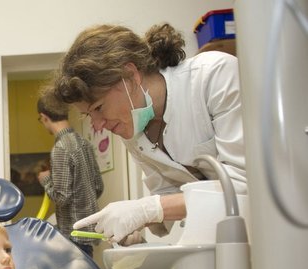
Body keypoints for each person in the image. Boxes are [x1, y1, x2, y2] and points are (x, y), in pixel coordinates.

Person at [53, 23, 246, 243]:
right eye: (89, 115)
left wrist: (147, 210)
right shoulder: (135, 132)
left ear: (130, 74)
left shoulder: (214, 75)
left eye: (98, 108)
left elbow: (243, 187)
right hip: (225, 237)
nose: (97, 124)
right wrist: (133, 226)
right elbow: (169, 194)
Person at [36, 89, 104, 269]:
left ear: (43, 117)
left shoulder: (61, 148)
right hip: (89, 229)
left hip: (72, 232)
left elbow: (61, 196)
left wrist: (45, 179)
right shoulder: (84, 144)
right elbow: (98, 187)